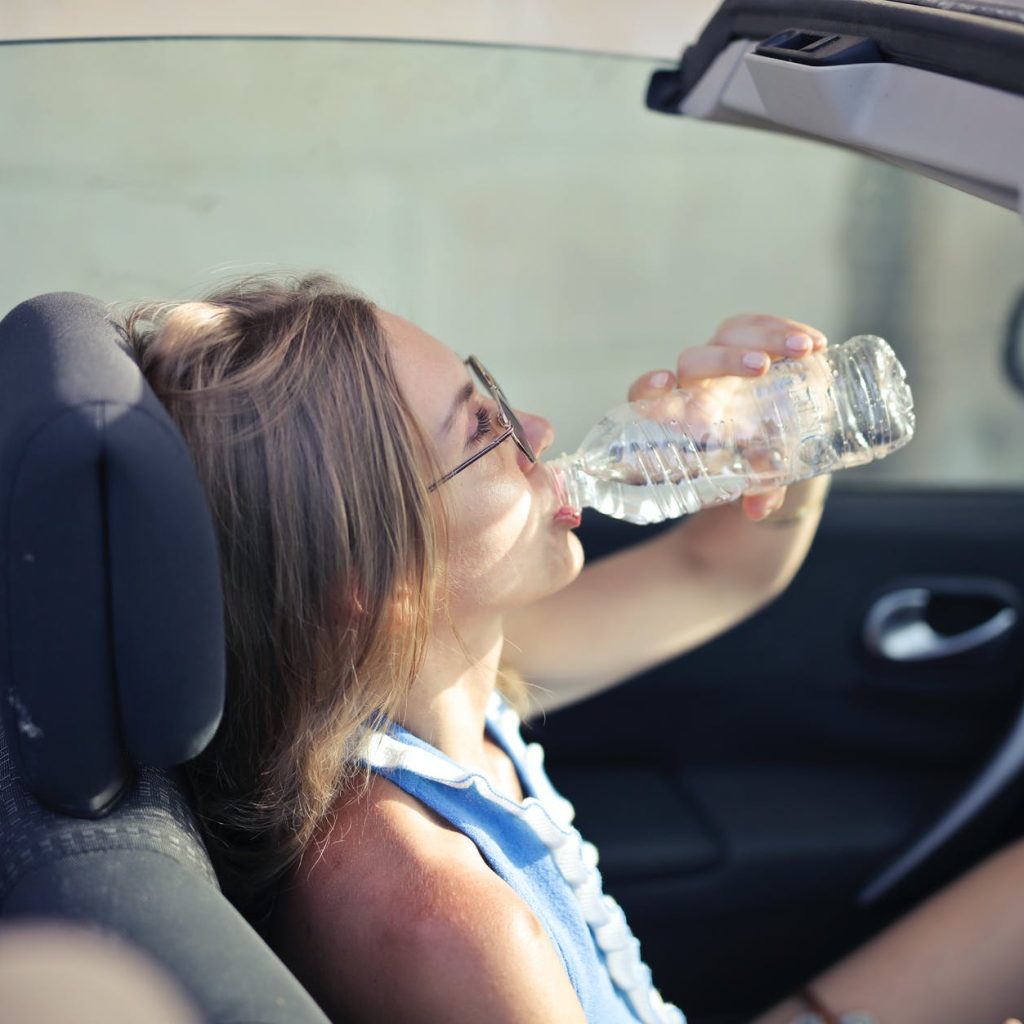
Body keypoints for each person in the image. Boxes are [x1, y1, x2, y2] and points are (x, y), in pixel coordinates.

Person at [122, 273, 1024, 1024]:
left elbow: (721, 575)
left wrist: (783, 443)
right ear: (377, 580)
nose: (539, 433)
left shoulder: (436, 681)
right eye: (483, 430)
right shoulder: (447, 918)